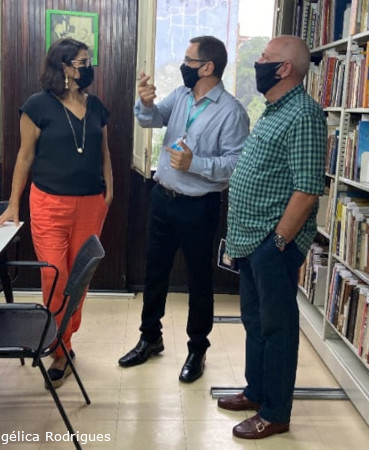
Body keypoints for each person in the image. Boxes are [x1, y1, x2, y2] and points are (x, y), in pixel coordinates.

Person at [119, 36, 249, 383]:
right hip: (163, 197)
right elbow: (151, 120)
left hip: (199, 206)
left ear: (207, 67)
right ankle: (150, 338)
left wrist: (195, 164)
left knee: (199, 280)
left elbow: (236, 164)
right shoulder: (180, 96)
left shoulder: (232, 112)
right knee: (155, 272)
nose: (183, 66)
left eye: (189, 60)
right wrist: (145, 103)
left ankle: (197, 349)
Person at [0, 38, 113, 388]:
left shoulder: (96, 106)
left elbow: (104, 151)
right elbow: (25, 156)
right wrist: (14, 203)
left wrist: (109, 190)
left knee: (80, 279)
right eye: (83, 62)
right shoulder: (37, 106)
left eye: (89, 61)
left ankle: (63, 342)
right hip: (48, 204)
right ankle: (60, 347)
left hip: (91, 204)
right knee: (54, 275)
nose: (89, 67)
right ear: (64, 66)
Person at [219, 35, 327, 439]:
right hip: (250, 239)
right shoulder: (274, 110)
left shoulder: (304, 115)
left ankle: (276, 412)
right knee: (254, 321)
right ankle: (256, 391)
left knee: (277, 328)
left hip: (272, 244)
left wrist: (278, 243)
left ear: (284, 68)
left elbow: (307, 189)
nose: (258, 62)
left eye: (265, 57)